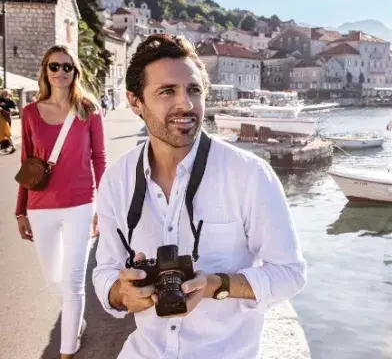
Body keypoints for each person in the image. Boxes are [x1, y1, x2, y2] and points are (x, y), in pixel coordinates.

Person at [93, 34, 306, 359]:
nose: (186, 104)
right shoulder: (117, 181)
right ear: (135, 102)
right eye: (167, 91)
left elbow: (290, 273)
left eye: (193, 90)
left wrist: (217, 285)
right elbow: (105, 268)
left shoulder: (249, 174)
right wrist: (120, 293)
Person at [15, 45, 107, 359]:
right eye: (54, 67)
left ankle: (68, 349)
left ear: (75, 72)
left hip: (81, 204)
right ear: (45, 70)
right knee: (53, 277)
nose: (60, 73)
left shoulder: (88, 108)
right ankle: (74, 318)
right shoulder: (29, 112)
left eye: (67, 67)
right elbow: (27, 163)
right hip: (40, 207)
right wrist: (19, 211)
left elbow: (100, 158)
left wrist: (102, 207)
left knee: (73, 280)